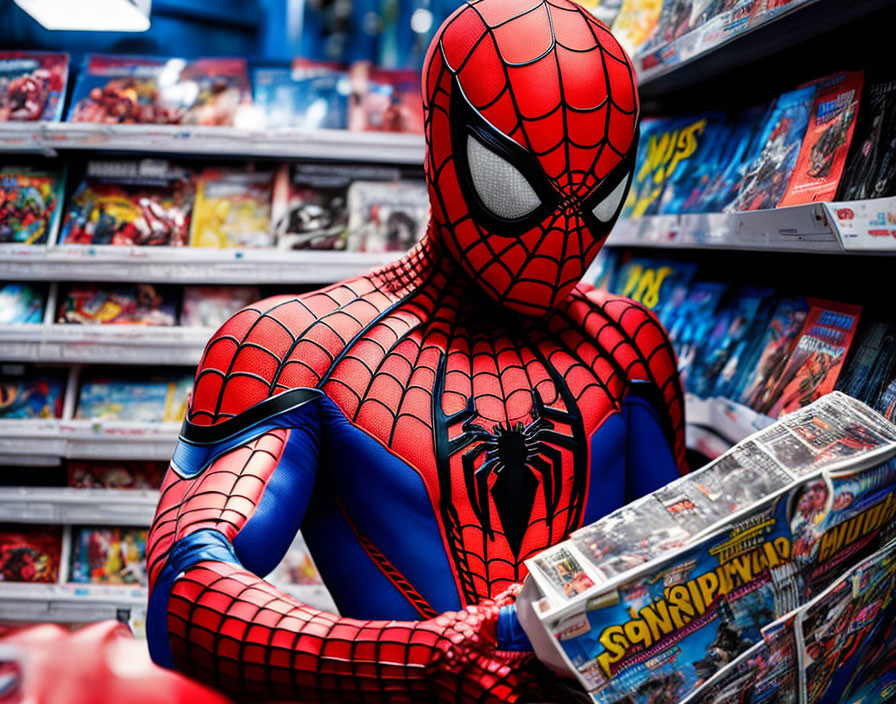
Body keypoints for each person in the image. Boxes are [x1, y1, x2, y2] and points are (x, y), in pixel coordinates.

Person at [146, 0, 687, 700]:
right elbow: (186, 587)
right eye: (515, 186)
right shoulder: (300, 346)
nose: (563, 239)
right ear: (440, 143)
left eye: (597, 199)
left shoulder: (631, 345)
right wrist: (436, 659)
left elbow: (683, 566)